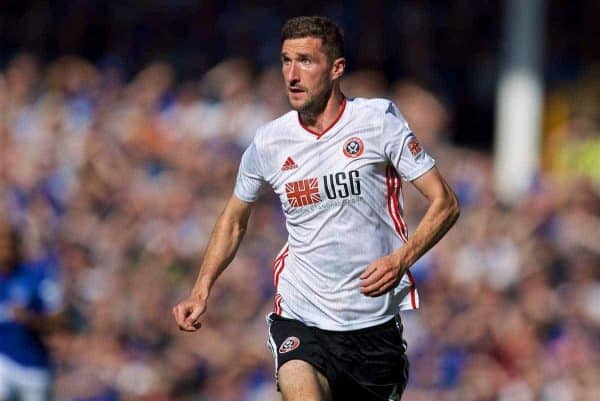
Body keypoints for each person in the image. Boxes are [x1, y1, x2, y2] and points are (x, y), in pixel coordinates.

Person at [173, 16, 460, 401]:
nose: (292, 74)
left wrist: (401, 259)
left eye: (306, 61)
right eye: (285, 61)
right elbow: (234, 219)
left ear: (336, 68)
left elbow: (445, 203)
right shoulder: (270, 141)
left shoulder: (378, 123)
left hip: (372, 327)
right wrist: (201, 289)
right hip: (302, 316)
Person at [0, 223, 65, 401]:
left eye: (8, 240)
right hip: (4, 362)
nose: (4, 246)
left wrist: (30, 319)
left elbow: (58, 320)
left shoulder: (37, 277)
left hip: (34, 366)